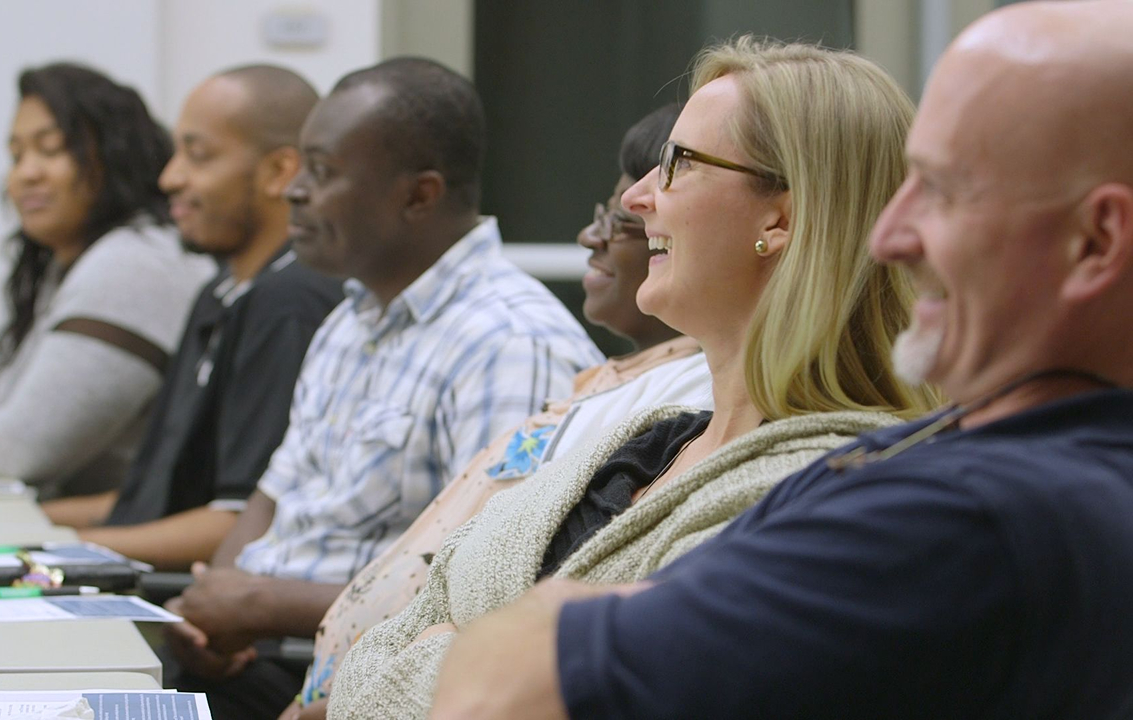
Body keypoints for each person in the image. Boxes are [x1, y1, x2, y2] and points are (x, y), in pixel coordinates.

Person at [427, 2, 1133, 719]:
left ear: (1097, 242)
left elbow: (506, 693)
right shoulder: (922, 465)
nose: (889, 234)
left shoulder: (954, 516)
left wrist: (489, 631)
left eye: (946, 190)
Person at [330, 37, 939, 719]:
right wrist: (470, 660)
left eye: (677, 164)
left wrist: (446, 650)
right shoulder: (644, 441)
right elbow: (376, 654)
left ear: (782, 219)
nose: (639, 199)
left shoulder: (833, 492)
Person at [160, 57, 603, 720]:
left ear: (419, 195)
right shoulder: (350, 318)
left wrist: (262, 606)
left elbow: (488, 595)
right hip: (260, 657)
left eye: (323, 171)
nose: (294, 193)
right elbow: (275, 492)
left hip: (361, 680)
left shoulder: (508, 342)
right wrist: (214, 605)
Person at [285, 103, 715, 718]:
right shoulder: (619, 390)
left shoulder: (537, 349)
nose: (590, 236)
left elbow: (512, 620)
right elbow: (452, 581)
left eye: (622, 221)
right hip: (349, 678)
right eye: (612, 213)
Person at [39, 65, 343, 569]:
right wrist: (30, 522)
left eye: (198, 156)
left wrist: (50, 550)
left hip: (188, 602)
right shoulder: (219, 292)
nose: (169, 177)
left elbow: (237, 523)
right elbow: (154, 500)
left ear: (279, 172)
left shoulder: (288, 304)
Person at [0, 63, 214, 498]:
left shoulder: (136, 266)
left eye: (51, 149)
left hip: (115, 551)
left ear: (115, 153)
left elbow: (21, 450)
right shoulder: (64, 264)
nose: (26, 173)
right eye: (17, 156)